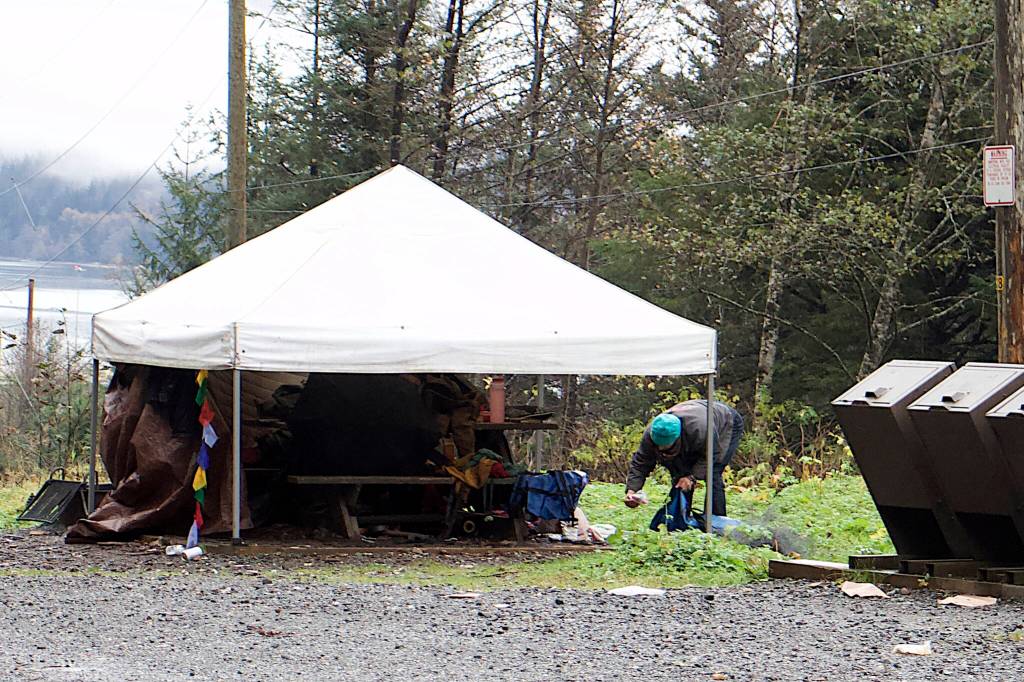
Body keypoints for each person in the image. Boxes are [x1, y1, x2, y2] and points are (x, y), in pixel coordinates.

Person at [623, 399, 744, 516]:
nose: (660, 449)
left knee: (712, 473)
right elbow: (641, 463)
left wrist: (691, 477)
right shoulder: (652, 432)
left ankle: (716, 520)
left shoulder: (700, 431)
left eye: (666, 446)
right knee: (680, 474)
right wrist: (632, 490)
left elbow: (711, 455)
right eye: (658, 446)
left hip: (726, 422)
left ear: (677, 438)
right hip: (698, 417)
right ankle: (679, 518)